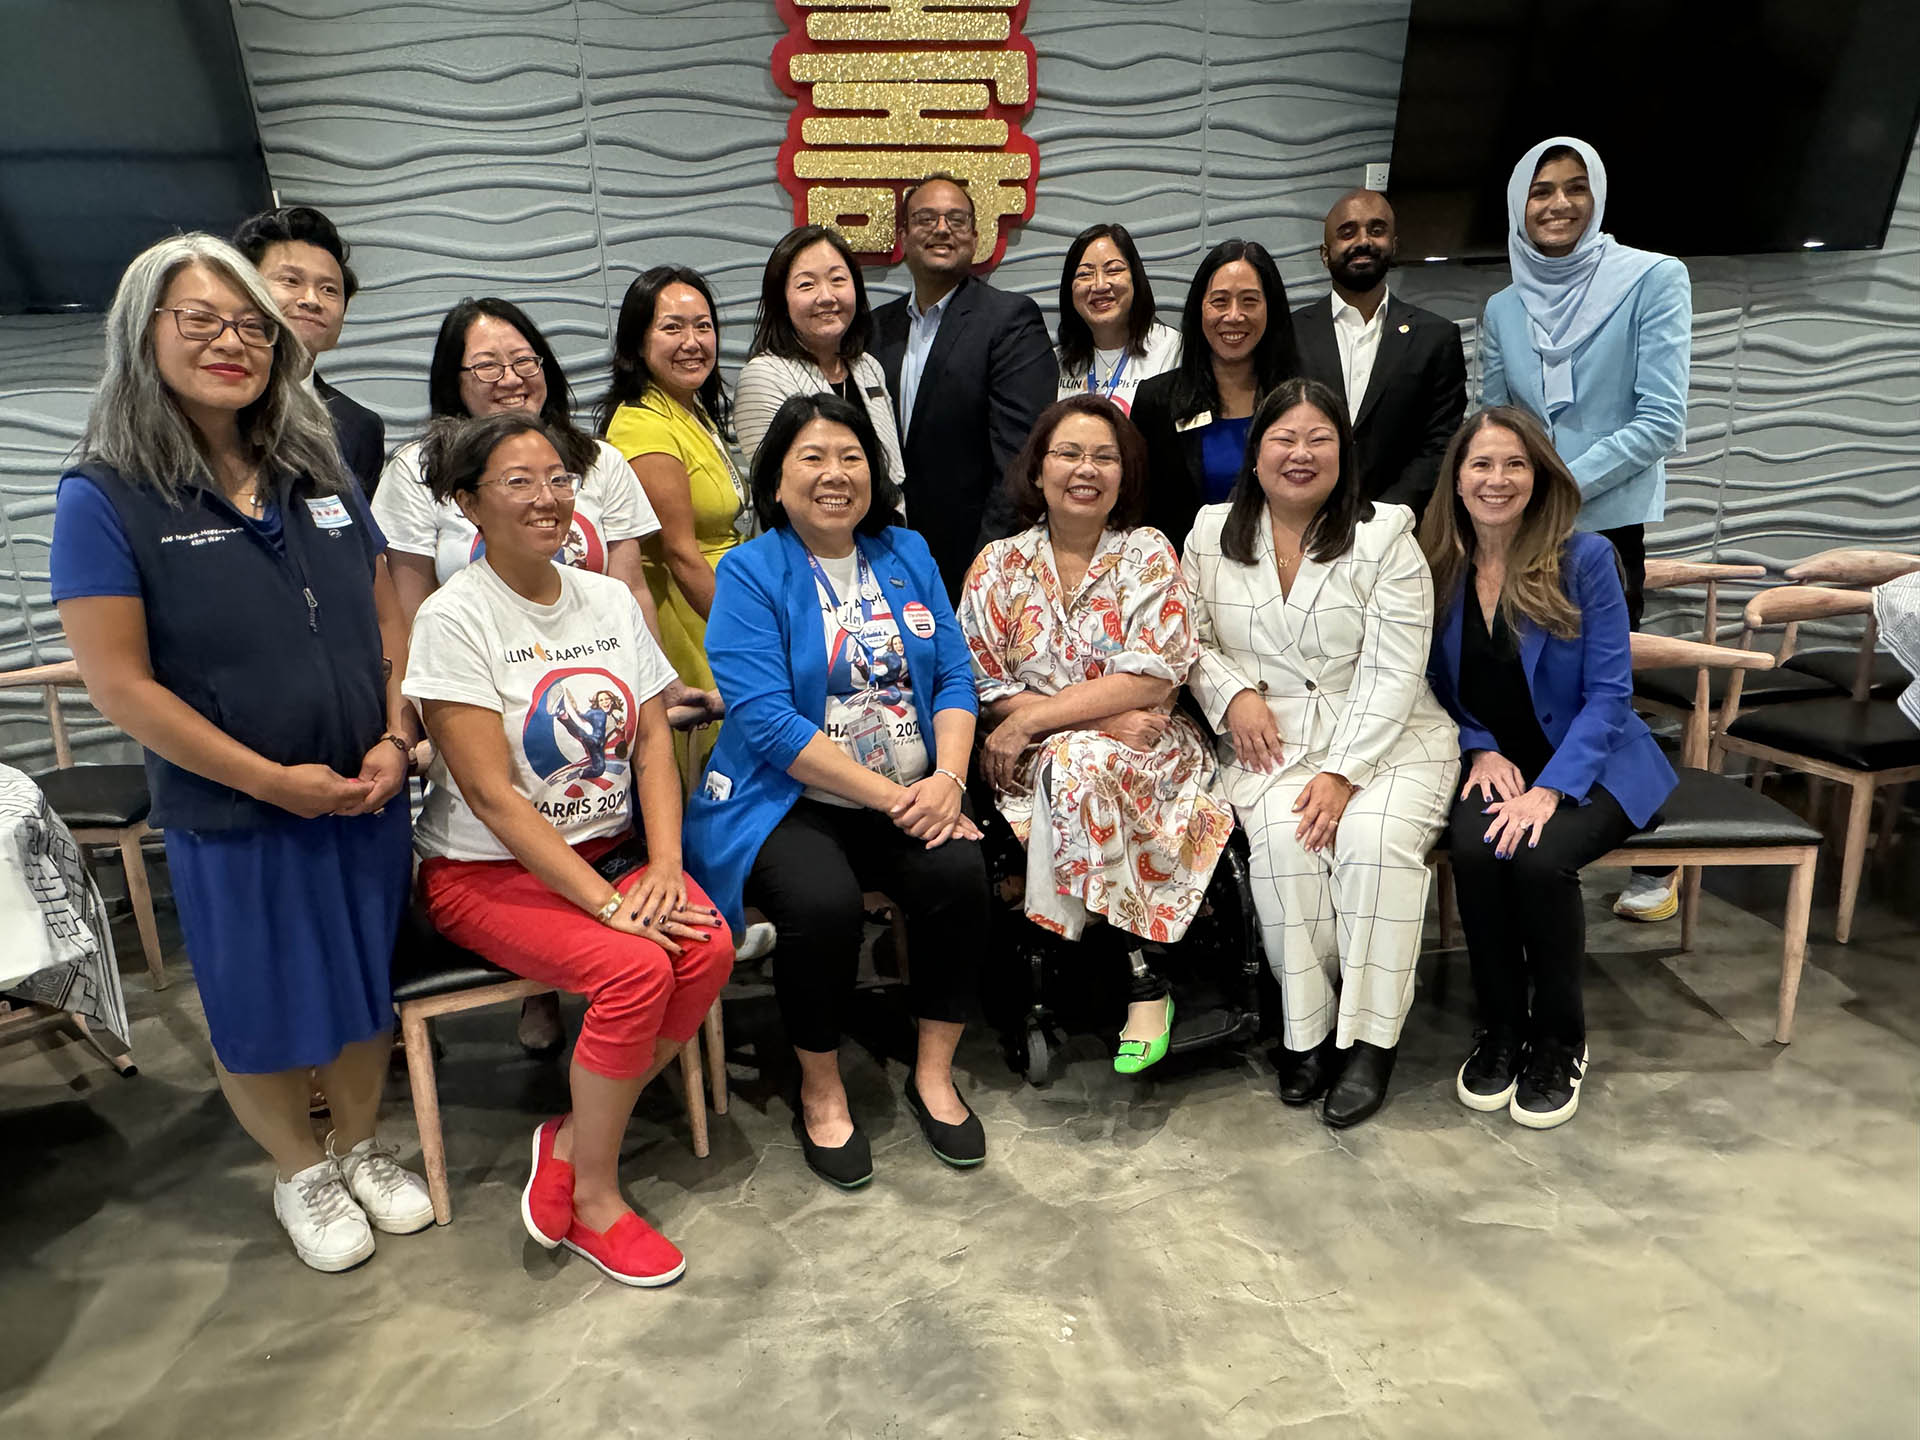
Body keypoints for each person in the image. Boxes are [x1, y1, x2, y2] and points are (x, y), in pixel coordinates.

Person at [51, 234, 430, 1273]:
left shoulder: (312, 469)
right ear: (144, 335)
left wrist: (397, 736)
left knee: (362, 988)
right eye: (202, 320)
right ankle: (296, 1168)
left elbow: (381, 619)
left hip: (362, 790)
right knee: (262, 1001)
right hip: (238, 811)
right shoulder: (105, 495)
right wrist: (270, 781)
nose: (234, 341)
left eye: (253, 324)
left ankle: (359, 1145)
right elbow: (120, 686)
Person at [405, 412, 733, 1286]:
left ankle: (575, 1134)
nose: (547, 498)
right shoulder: (452, 618)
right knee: (635, 969)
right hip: (482, 872)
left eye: (557, 478)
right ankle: (595, 1198)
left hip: (614, 851)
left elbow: (654, 739)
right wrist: (607, 906)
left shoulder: (608, 598)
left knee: (707, 948)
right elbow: (488, 795)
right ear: (469, 504)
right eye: (518, 482)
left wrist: (663, 866)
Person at [684, 393, 989, 1189]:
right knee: (818, 904)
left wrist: (949, 782)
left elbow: (956, 674)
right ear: (776, 481)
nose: (834, 475)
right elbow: (769, 724)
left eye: (850, 457)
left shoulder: (906, 550)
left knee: (959, 875)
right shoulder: (749, 571)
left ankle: (932, 1074)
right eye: (812, 459)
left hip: (916, 789)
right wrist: (899, 801)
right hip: (786, 800)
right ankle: (820, 1090)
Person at [372, 295, 679, 1057]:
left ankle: (605, 1026)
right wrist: (401, 723)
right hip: (479, 684)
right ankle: (549, 990)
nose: (510, 379)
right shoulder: (419, 472)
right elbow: (405, 608)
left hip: (597, 669)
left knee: (603, 805)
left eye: (524, 361)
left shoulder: (595, 460)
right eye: (487, 366)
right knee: (505, 808)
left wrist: (658, 688)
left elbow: (631, 584)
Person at [1184, 378, 1459, 1127]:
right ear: (1256, 449)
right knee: (1282, 841)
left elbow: (1395, 672)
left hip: (1388, 742)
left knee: (1369, 842)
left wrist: (1344, 774)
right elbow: (1191, 641)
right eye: (1284, 438)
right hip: (1269, 741)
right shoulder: (1210, 532)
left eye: (1319, 440)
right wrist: (1232, 694)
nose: (1300, 454)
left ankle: (1370, 1042)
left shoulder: (1385, 538)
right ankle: (1306, 1034)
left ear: (1345, 452)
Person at [959, 395, 1235, 1074]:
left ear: (1125, 473)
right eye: (1070, 454)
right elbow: (983, 680)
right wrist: (1090, 717)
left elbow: (1156, 674)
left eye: (1104, 456)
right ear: (1039, 468)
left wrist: (1039, 716)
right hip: (1032, 762)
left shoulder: (1146, 553)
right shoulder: (997, 565)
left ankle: (1097, 948)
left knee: (1077, 761)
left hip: (1149, 756)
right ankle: (1142, 971)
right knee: (1075, 758)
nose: (1087, 469)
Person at [1421, 406, 1677, 1131]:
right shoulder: (1439, 564)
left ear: (1539, 477)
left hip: (1594, 764)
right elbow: (1433, 682)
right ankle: (1500, 1027)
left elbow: (1610, 696)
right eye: (1482, 465)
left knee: (1537, 860)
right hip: (1495, 763)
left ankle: (1561, 1039)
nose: (1497, 479)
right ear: (1458, 479)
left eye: (1514, 464)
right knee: (1474, 847)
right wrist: (1478, 742)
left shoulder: (1587, 558)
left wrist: (1552, 789)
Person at [1479, 136, 1691, 922]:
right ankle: (1536, 823)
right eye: (1540, 191)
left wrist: (1561, 486)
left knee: (1600, 691)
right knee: (1528, 688)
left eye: (1574, 188)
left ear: (1596, 196)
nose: (1558, 204)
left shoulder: (1654, 279)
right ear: (1518, 205)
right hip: (1516, 527)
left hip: (1604, 527)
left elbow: (1661, 418)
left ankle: (1651, 838)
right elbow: (1494, 415)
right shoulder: (1504, 305)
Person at [872, 173, 1058, 598]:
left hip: (973, 564)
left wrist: (986, 567)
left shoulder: (1009, 320)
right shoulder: (875, 328)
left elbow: (1018, 460)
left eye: (956, 220)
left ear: (975, 238)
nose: (941, 229)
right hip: (882, 559)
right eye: (925, 218)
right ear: (903, 235)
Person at [598, 266, 749, 730]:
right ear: (637, 343)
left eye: (704, 326)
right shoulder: (643, 424)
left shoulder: (691, 407)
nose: (693, 342)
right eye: (672, 328)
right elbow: (680, 554)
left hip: (722, 603)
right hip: (692, 619)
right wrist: (750, 638)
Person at [1290, 189, 1466, 513]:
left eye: (1376, 229)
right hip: (1306, 522)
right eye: (1347, 232)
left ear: (1394, 245)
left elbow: (1442, 444)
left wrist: (1385, 517)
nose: (1363, 241)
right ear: (1325, 253)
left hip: (1404, 527)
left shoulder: (1436, 338)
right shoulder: (1287, 334)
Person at [1132, 239, 1298, 553]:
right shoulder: (1157, 401)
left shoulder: (1301, 401)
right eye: (1219, 302)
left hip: (1283, 578)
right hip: (1183, 582)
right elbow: (1139, 510)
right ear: (1199, 309)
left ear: (1271, 308)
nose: (1234, 316)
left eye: (1249, 301)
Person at [231, 205, 385, 496]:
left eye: (329, 289)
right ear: (243, 290)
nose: (312, 300)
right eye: (291, 281)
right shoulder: (213, 402)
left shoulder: (360, 427)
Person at [733, 224, 904, 486]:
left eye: (838, 280)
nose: (826, 296)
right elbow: (776, 486)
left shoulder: (868, 367)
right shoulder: (764, 375)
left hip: (886, 526)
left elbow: (892, 475)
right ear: (782, 300)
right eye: (806, 284)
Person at [1053, 222, 1181, 413]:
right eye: (1085, 274)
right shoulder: (1055, 362)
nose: (1100, 285)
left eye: (1113, 270)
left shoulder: (1172, 349)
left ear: (1135, 278)